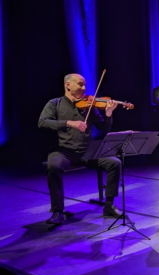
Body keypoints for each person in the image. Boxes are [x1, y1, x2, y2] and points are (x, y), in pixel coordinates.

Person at [38, 73, 121, 225]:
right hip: (63, 151)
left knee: (114, 162)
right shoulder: (54, 103)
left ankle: (109, 205)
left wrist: (108, 114)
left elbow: (103, 128)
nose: (84, 88)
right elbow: (42, 122)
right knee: (54, 166)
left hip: (88, 152)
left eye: (84, 85)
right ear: (67, 85)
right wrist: (69, 122)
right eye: (80, 84)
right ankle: (57, 211)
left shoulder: (89, 105)